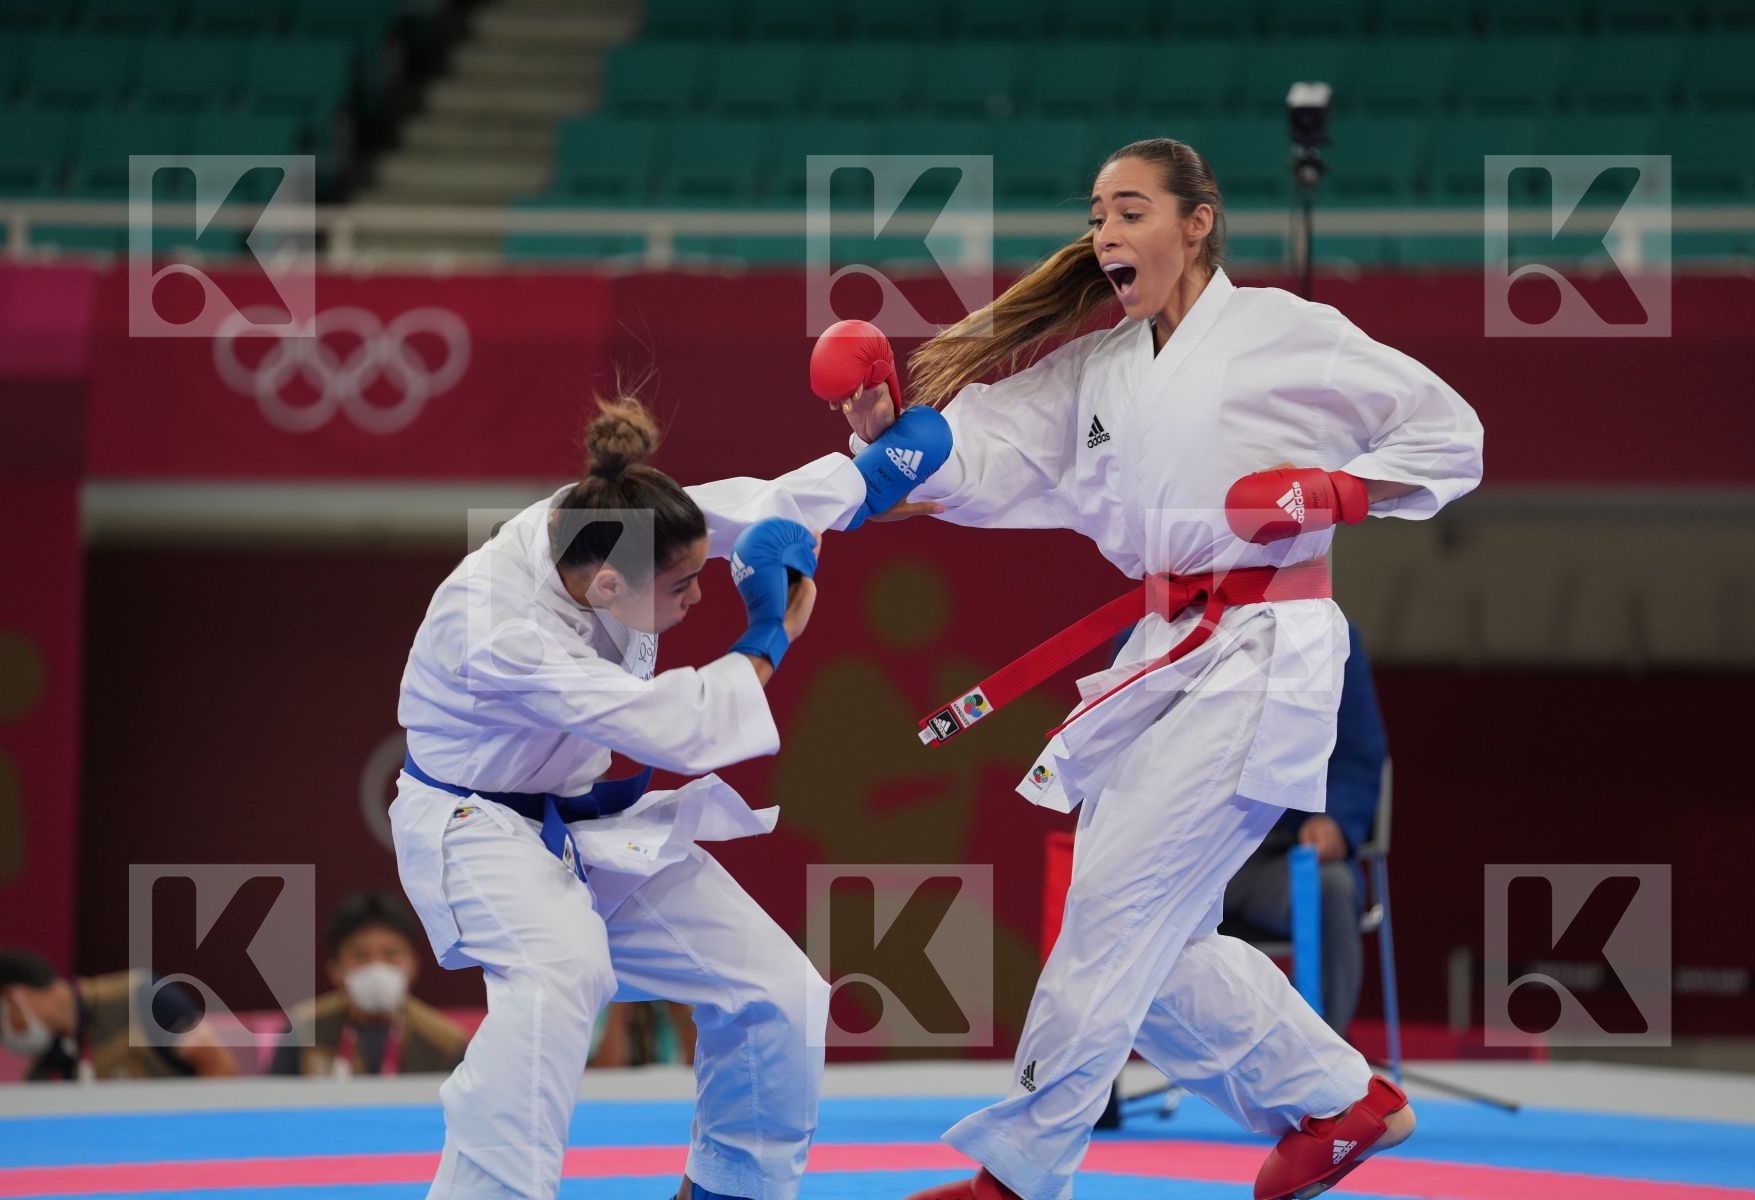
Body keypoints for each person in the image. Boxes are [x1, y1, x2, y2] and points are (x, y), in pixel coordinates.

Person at [822, 138, 1481, 1200]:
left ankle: (1019, 1174)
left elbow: (1451, 437)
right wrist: (890, 442)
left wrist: (1335, 493)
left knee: (1114, 909)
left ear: (1198, 222)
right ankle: (1344, 1101)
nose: (1107, 234)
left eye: (1130, 211)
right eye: (1096, 216)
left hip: (1266, 647)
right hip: (1164, 651)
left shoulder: (1285, 334)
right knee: (1152, 943)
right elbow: (981, 454)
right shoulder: (1099, 370)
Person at [389, 392, 948, 1200]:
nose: (697, 594)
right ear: (610, 586)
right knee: (559, 973)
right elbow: (666, 725)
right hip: (474, 826)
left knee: (777, 993)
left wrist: (872, 474)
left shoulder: (614, 524)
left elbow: (752, 510)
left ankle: (732, 1190)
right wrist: (768, 638)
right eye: (683, 586)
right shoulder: (493, 626)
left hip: (584, 819)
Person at [1222, 621, 1387, 1039]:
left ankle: (1322, 1071)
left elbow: (1359, 753)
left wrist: (1335, 821)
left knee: (1330, 887)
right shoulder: (1154, 631)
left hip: (1278, 858)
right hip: (1183, 856)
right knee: (1106, 887)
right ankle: (1101, 1092)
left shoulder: (1329, 637)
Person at [269, 890, 468, 1077]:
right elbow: (272, 1105)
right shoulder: (303, 1031)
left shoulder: (445, 1043)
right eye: (361, 956)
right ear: (335, 969)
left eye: (391, 955)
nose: (377, 967)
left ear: (413, 964)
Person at [0, 948, 237, 1080]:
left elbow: (219, 1067)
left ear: (14, 997)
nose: (4, 1035)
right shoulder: (46, 1065)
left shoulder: (142, 997)